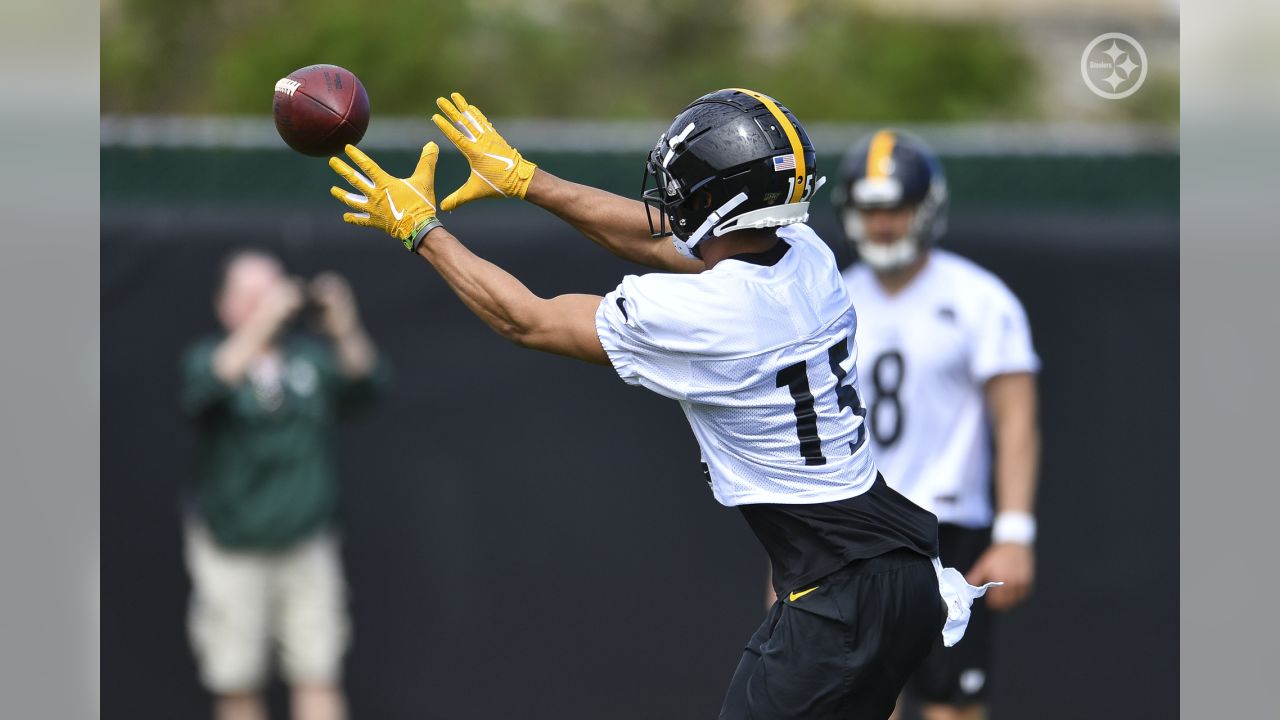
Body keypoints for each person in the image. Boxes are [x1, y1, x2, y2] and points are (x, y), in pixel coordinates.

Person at [324, 88, 993, 719]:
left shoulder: (713, 313)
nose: (672, 198)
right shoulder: (807, 255)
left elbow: (526, 320)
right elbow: (654, 236)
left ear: (722, 203)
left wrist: (422, 229)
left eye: (687, 187)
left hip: (838, 589)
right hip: (899, 568)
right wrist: (528, 180)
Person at [832, 130, 1041, 720]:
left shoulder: (978, 298)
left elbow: (1017, 418)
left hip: (948, 526)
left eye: (894, 208)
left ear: (925, 208)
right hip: (858, 529)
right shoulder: (831, 298)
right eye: (870, 210)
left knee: (951, 703)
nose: (882, 225)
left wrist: (1015, 532)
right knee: (860, 701)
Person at [180, 251, 384, 720]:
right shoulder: (209, 357)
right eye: (251, 296)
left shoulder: (308, 361)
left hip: (306, 546)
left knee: (318, 671)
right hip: (233, 551)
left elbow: (367, 384)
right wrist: (261, 325)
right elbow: (203, 390)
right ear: (225, 305)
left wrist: (345, 326)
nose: (267, 303)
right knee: (237, 680)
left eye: (272, 291)